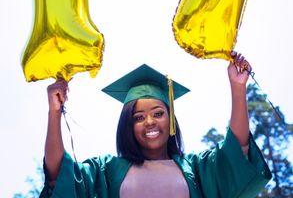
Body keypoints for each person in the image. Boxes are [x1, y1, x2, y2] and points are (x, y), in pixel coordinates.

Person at [40, 53, 272, 197]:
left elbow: (237, 153)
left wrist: (238, 86)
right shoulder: (107, 171)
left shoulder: (197, 170)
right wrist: (54, 113)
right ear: (127, 127)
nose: (149, 121)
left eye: (158, 113)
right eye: (138, 117)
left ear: (171, 119)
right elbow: (59, 176)